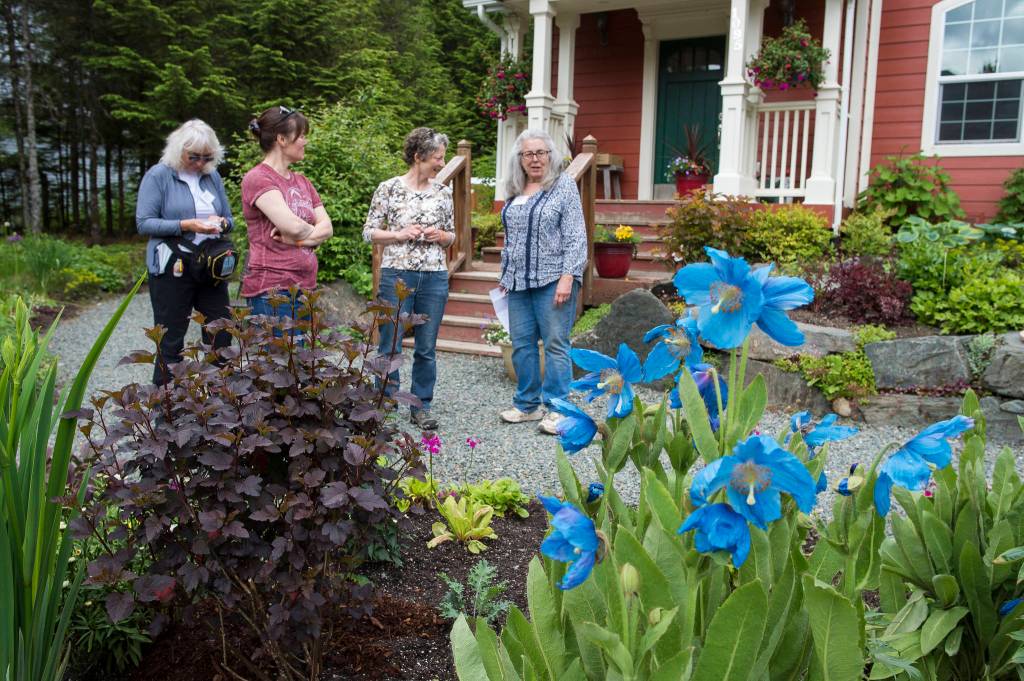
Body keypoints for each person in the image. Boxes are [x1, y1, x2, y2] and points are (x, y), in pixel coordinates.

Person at [363, 127, 454, 431]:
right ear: (418, 157)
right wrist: (399, 234)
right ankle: (385, 406)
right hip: (397, 275)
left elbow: (452, 236)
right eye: (437, 158)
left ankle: (421, 406)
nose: (441, 164)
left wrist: (442, 236)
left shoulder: (444, 193)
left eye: (443, 158)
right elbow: (369, 232)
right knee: (390, 343)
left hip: (435, 276)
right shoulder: (388, 188)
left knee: (427, 347)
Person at [498, 129, 587, 435]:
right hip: (518, 282)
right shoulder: (515, 189)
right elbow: (511, 238)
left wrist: (568, 276)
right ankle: (527, 405)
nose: (534, 159)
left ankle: (559, 408)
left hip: (553, 279)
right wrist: (505, 274)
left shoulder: (563, 185)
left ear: (550, 155)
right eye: (528, 154)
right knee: (521, 345)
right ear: (520, 159)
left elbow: (576, 235)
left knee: (555, 344)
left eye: (540, 153)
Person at [137, 119, 235, 385]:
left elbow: (230, 219)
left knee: (221, 333)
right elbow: (144, 223)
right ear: (179, 150)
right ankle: (167, 404)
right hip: (172, 266)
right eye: (194, 157)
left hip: (209, 267)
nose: (200, 163)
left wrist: (222, 223)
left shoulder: (212, 176)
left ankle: (221, 400)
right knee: (170, 339)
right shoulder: (159, 175)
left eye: (207, 157)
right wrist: (186, 225)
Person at [240, 106, 333, 326]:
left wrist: (299, 240)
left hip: (305, 288)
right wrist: (311, 235)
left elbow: (328, 228)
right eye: (301, 136)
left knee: (300, 350)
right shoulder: (258, 178)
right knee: (279, 350)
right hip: (273, 292)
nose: (305, 141)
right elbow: (293, 226)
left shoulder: (302, 181)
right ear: (281, 139)